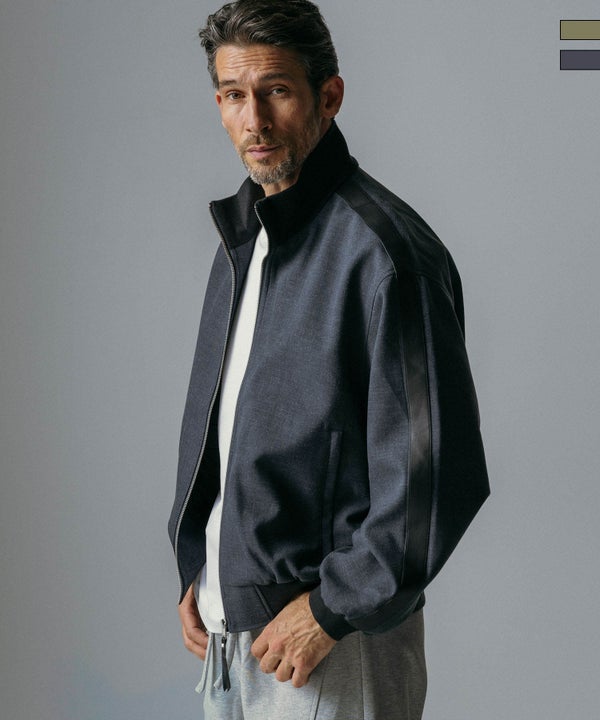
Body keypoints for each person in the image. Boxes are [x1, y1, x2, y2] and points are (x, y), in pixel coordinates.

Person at [168, 1, 489, 718]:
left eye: (277, 91)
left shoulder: (386, 255)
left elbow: (439, 473)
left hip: (331, 643)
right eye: (234, 95)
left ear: (329, 96)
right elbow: (236, 431)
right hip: (229, 638)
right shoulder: (245, 239)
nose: (254, 120)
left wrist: (331, 610)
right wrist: (203, 567)